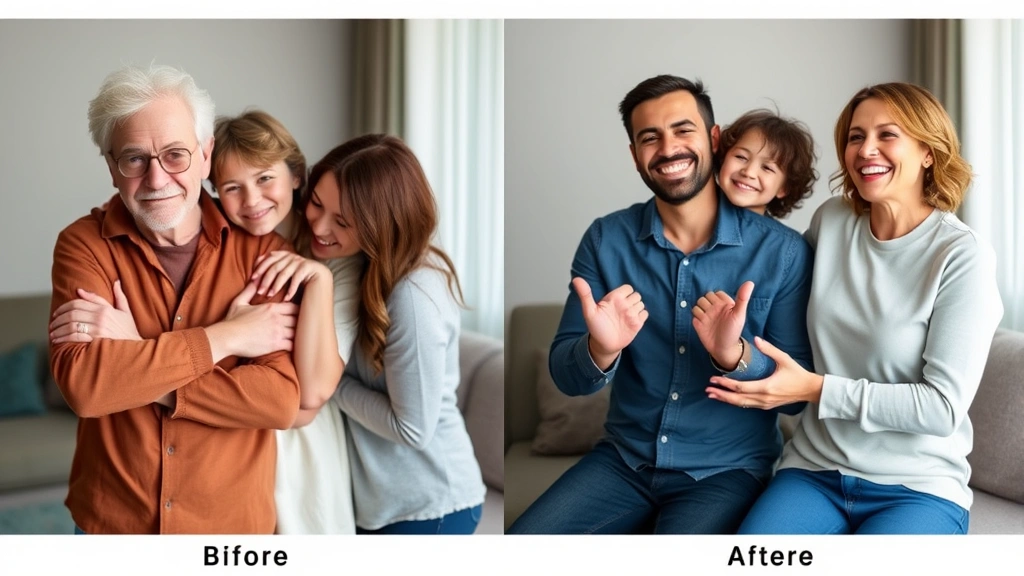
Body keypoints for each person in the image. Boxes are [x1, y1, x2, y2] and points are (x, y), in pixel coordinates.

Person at [507, 75, 814, 535]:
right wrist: (600, 350)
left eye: (682, 130)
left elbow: (795, 397)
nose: (668, 148)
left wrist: (735, 357)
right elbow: (568, 378)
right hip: (621, 463)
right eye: (650, 137)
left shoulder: (783, 253)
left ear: (714, 139)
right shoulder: (605, 239)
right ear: (635, 154)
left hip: (725, 473)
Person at [708, 82, 1004, 534]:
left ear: (928, 151)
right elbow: (775, 300)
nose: (866, 149)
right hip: (812, 473)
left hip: (917, 486)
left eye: (888, 135)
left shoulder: (961, 255)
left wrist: (817, 390)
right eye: (855, 137)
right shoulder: (831, 221)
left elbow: (941, 407)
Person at [46, 64, 300, 534]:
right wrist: (225, 338)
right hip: (112, 526)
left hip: (230, 528)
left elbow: (278, 401)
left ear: (205, 156)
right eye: (135, 159)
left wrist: (137, 352)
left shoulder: (265, 251)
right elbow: (85, 388)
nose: (158, 179)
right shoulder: (82, 245)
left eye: (175, 155)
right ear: (110, 165)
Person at [311, 134, 486, 534]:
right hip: (380, 505)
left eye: (342, 221)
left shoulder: (413, 296)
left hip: (432, 506)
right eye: (317, 203)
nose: (319, 226)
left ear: (381, 225)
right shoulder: (353, 265)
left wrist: (324, 382)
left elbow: (413, 429)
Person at [208, 110, 362, 534]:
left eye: (264, 179)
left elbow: (309, 397)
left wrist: (318, 277)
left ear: (296, 175)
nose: (252, 201)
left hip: (301, 449)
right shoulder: (223, 242)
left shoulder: (340, 258)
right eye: (232, 188)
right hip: (232, 435)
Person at [715, 108, 817, 218]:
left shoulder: (779, 235)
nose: (749, 172)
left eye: (767, 168)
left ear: (784, 188)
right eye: (741, 157)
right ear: (723, 157)